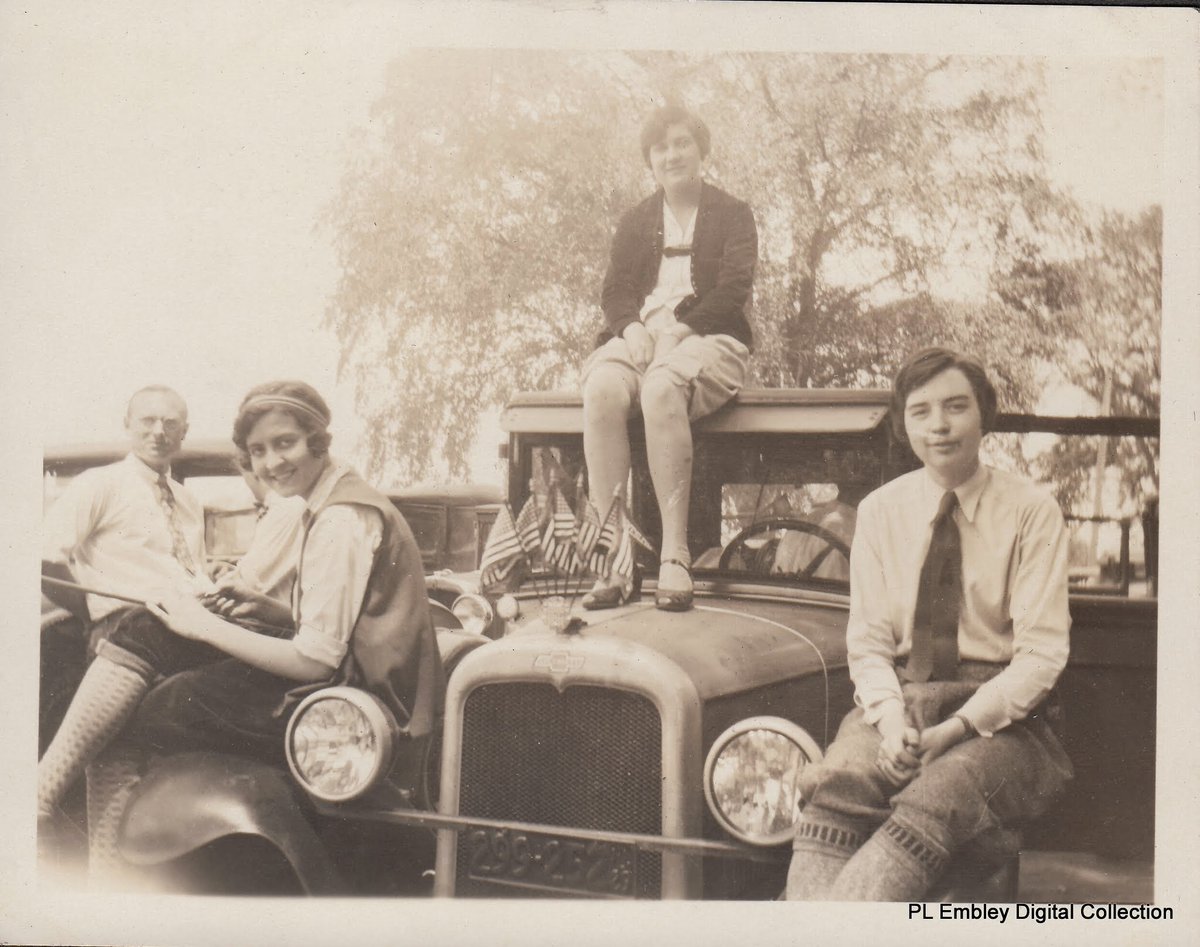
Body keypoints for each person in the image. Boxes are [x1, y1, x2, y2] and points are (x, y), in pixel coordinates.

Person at [37, 381, 443, 868]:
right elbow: (340, 621)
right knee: (149, 629)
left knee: (132, 716)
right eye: (258, 451)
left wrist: (201, 625)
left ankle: (96, 865)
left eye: (284, 443)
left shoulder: (339, 518)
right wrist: (269, 611)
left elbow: (315, 660)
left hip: (357, 699)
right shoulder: (335, 500)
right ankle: (52, 807)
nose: (271, 464)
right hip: (356, 674)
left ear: (317, 438)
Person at [785, 347, 1073, 901]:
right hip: (902, 697)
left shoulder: (1032, 509)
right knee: (839, 778)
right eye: (920, 412)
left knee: (940, 792)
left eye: (955, 407)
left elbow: (1040, 657)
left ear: (983, 415)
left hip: (1005, 719)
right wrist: (891, 722)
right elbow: (868, 645)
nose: (939, 426)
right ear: (904, 425)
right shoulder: (880, 510)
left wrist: (958, 727)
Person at [581, 104, 757, 611]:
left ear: (701, 150)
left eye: (682, 143)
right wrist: (632, 328)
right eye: (661, 147)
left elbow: (733, 288)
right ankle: (613, 561)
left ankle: (673, 557)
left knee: (661, 388)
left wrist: (679, 331)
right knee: (602, 390)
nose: (672, 154)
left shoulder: (732, 213)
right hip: (643, 338)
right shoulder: (636, 220)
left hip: (710, 337)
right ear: (649, 159)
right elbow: (615, 289)